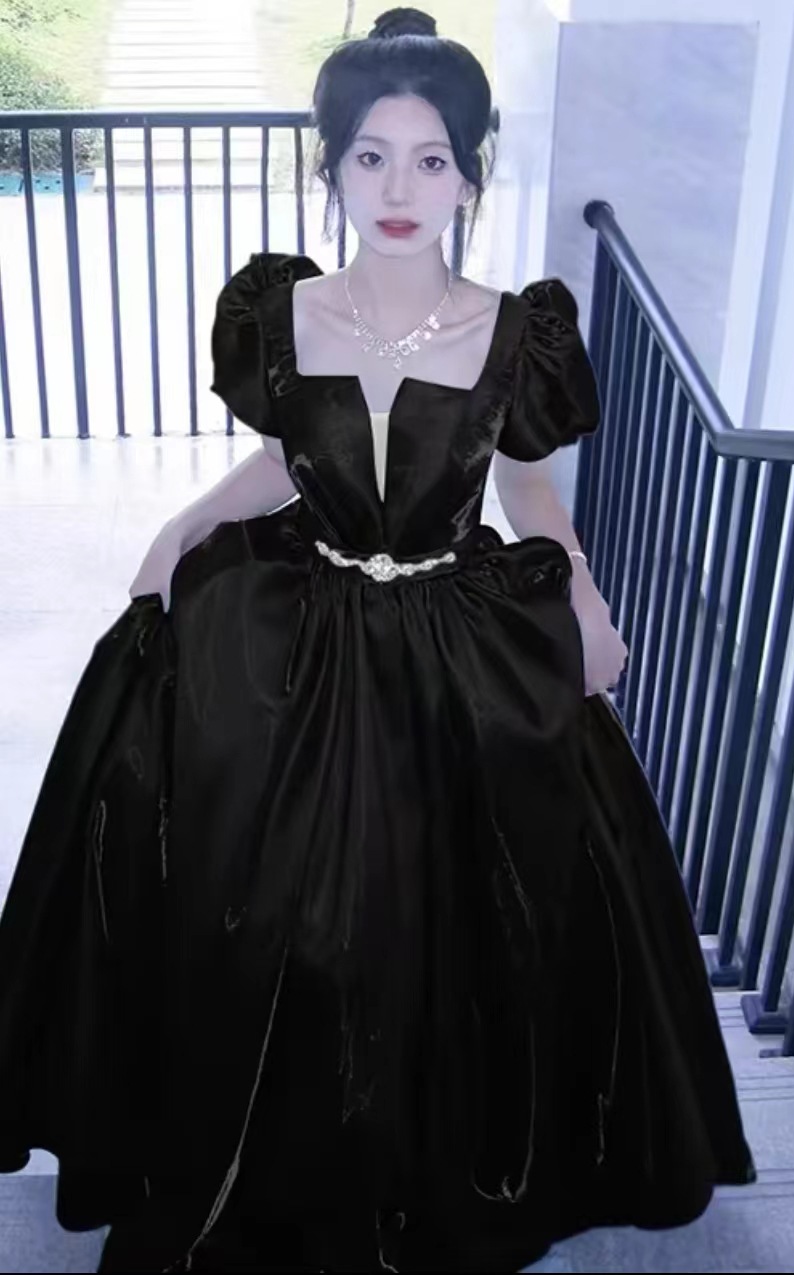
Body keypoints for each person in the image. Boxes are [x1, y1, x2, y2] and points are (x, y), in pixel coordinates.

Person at [0, 7, 755, 1273]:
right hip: (303, 631)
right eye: (370, 157)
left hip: (458, 644)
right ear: (332, 166)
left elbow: (527, 489)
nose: (399, 190)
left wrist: (581, 595)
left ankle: (431, 1154)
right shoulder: (284, 310)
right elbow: (284, 463)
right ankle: (275, 1146)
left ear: (470, 174)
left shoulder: (514, 329)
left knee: (457, 918)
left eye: (430, 160)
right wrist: (183, 528)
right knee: (274, 907)